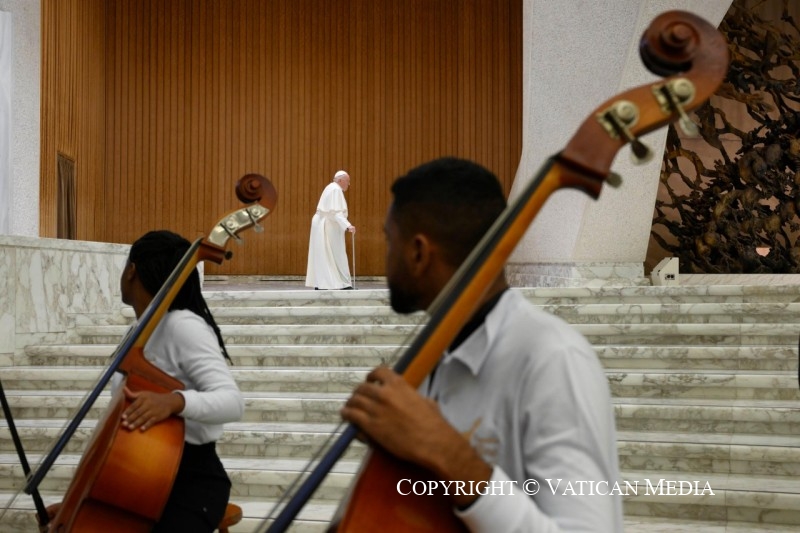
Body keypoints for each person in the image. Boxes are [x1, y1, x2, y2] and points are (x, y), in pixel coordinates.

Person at [340, 158, 623, 531]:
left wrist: (448, 452)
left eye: (390, 239)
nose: (386, 254)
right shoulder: (430, 360)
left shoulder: (554, 357)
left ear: (419, 252)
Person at [116, 230, 244, 532]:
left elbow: (232, 401)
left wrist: (174, 401)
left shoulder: (182, 326)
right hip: (137, 476)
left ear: (131, 270)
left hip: (189, 484)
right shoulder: (138, 333)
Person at [306, 170, 356, 290]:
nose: (348, 184)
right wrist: (348, 225)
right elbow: (336, 212)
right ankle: (343, 283)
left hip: (322, 223)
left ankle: (322, 283)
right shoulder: (335, 189)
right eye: (347, 181)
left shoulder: (330, 187)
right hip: (328, 224)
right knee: (336, 253)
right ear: (340, 180)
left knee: (323, 253)